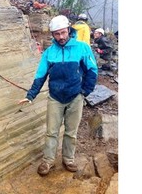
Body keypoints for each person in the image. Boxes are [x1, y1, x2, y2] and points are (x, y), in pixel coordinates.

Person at [18, 15, 98, 176]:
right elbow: (40, 75)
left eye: (63, 32)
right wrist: (31, 95)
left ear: (68, 30)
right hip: (55, 97)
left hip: (75, 97)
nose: (61, 37)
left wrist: (84, 92)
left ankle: (68, 159)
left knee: (71, 132)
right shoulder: (49, 53)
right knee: (51, 132)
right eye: (57, 34)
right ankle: (48, 161)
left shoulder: (82, 48)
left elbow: (92, 71)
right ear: (53, 35)